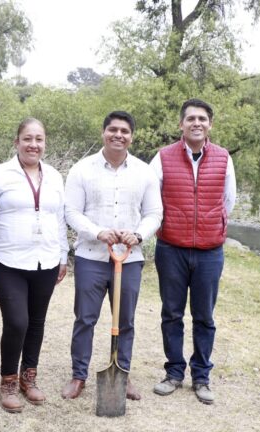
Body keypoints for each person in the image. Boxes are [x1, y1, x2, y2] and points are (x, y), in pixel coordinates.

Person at [61, 111, 163, 401]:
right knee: (85, 318)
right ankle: (78, 375)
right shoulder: (82, 169)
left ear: (132, 136)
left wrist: (138, 235)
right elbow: (72, 212)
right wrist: (98, 232)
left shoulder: (144, 172)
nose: (118, 135)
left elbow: (154, 213)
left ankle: (122, 373)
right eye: (113, 130)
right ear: (103, 132)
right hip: (91, 257)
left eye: (124, 131)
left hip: (129, 259)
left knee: (125, 320)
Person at [0, 118, 69, 413]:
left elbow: (60, 219)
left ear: (45, 143)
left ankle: (29, 377)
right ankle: (8, 382)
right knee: (17, 321)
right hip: (8, 260)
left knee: (37, 321)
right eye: (27, 138)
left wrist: (63, 256)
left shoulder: (54, 176)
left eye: (39, 139)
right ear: (16, 142)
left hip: (46, 259)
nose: (33, 144)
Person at [149, 98, 236, 405]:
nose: (196, 123)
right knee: (171, 314)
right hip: (171, 248)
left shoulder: (224, 158)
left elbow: (229, 200)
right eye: (191, 119)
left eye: (202, 118)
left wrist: (212, 227)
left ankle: (201, 376)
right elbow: (151, 199)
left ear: (209, 124)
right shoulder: (162, 157)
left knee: (204, 316)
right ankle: (174, 372)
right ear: (181, 124)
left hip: (210, 252)